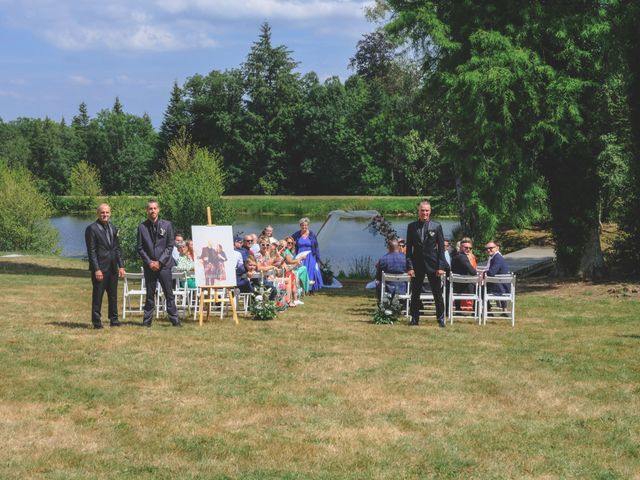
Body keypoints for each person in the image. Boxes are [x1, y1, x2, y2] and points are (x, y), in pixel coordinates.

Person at [137, 199, 181, 327]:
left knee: (169, 294)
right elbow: (140, 248)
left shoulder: (167, 225)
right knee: (150, 295)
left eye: (155, 208)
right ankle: (147, 322)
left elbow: (170, 245)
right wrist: (150, 262)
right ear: (147, 211)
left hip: (164, 266)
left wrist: (160, 262)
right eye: (150, 209)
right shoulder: (142, 227)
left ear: (158, 210)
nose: (152, 211)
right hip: (149, 266)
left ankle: (175, 320)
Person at [405, 200, 447, 327]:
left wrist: (441, 266)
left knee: (437, 294)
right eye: (422, 210)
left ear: (430, 211)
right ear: (419, 211)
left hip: (433, 265)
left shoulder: (437, 226)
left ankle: (440, 320)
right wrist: (410, 267)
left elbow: (441, 249)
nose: (424, 213)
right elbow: (408, 250)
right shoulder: (411, 226)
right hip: (417, 265)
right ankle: (414, 319)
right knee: (415, 293)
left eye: (427, 210)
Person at [85, 203, 126, 329]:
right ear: (98, 213)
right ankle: (96, 322)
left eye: (107, 212)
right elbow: (91, 251)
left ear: (110, 213)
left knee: (113, 295)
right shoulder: (92, 229)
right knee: (98, 295)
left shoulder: (113, 228)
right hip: (100, 268)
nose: (105, 215)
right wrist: (96, 269)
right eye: (102, 212)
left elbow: (117, 249)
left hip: (113, 267)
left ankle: (114, 320)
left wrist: (121, 265)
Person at [291, 217, 323, 292]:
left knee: (311, 271)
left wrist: (317, 258)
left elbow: (316, 247)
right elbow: (289, 240)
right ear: (300, 226)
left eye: (306, 225)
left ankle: (310, 289)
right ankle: (301, 288)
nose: (304, 227)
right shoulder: (297, 234)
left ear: (308, 225)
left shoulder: (312, 235)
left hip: (310, 256)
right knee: (301, 271)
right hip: (300, 256)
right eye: (302, 225)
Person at [451, 238, 478, 311]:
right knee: (481, 288)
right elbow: (473, 272)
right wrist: (477, 273)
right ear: (460, 247)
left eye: (470, 248)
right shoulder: (463, 257)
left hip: (456, 286)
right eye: (466, 247)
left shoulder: (454, 257)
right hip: (464, 286)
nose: (468, 249)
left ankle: (458, 308)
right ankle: (478, 310)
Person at [484, 240, 510, 310]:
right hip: (501, 285)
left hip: (501, 288)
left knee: (479, 289)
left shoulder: (497, 258)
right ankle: (502, 308)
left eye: (491, 248)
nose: (488, 250)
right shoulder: (496, 257)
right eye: (487, 248)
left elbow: (491, 273)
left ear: (497, 248)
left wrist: (482, 274)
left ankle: (487, 310)